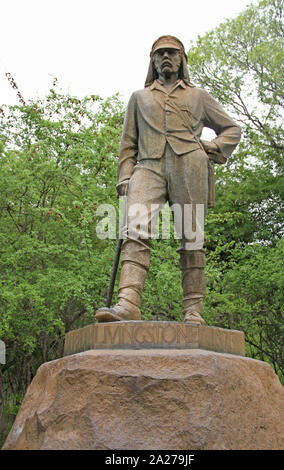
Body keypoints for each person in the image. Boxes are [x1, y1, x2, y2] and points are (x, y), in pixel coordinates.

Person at [95, 35, 241, 324]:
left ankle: (193, 311)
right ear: (153, 60)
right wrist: (124, 176)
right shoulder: (140, 97)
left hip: (190, 165)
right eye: (160, 53)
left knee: (191, 237)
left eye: (172, 53)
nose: (166, 57)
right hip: (148, 167)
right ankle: (128, 303)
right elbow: (128, 144)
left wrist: (210, 148)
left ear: (181, 59)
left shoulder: (198, 97)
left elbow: (232, 130)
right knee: (134, 230)